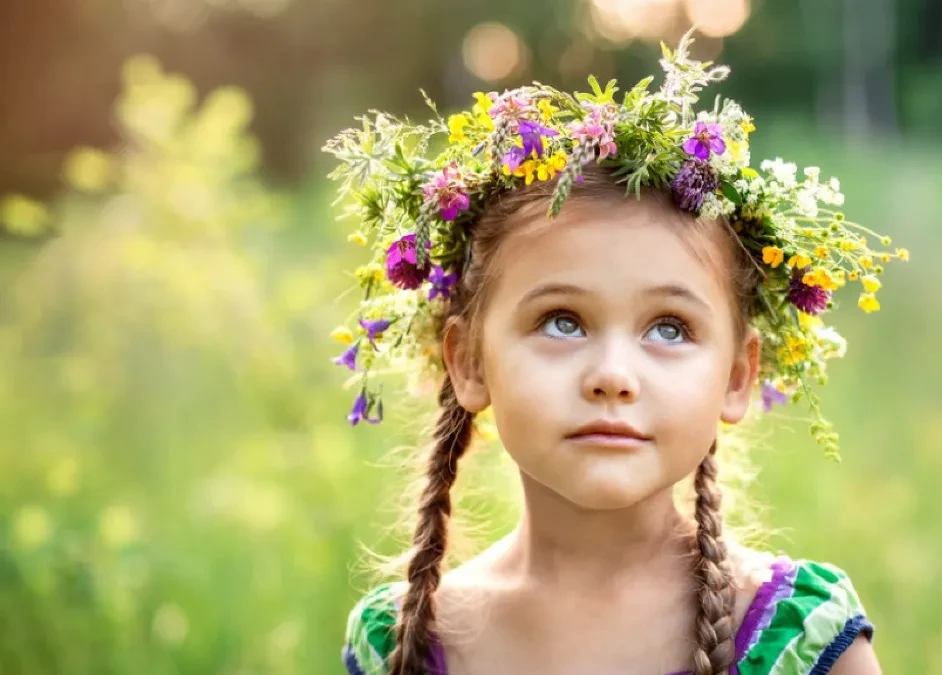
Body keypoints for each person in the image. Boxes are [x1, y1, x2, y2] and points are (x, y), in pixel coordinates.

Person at [324, 30, 905, 675]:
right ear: (469, 362)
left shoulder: (804, 641)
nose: (612, 377)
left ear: (738, 376)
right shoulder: (401, 642)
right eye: (562, 322)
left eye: (670, 329)